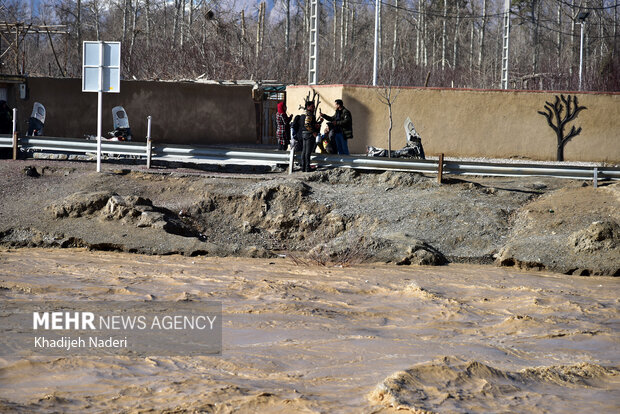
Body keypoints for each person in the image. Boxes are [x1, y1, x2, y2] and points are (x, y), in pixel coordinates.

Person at [301, 100, 322, 172]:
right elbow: (307, 124)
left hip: (304, 134)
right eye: (312, 106)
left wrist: (319, 123)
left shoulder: (304, 114)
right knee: (307, 152)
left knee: (304, 151)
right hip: (309, 134)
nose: (313, 108)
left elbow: (309, 124)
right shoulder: (309, 114)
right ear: (308, 107)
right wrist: (313, 132)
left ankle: (303, 167)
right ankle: (307, 167)